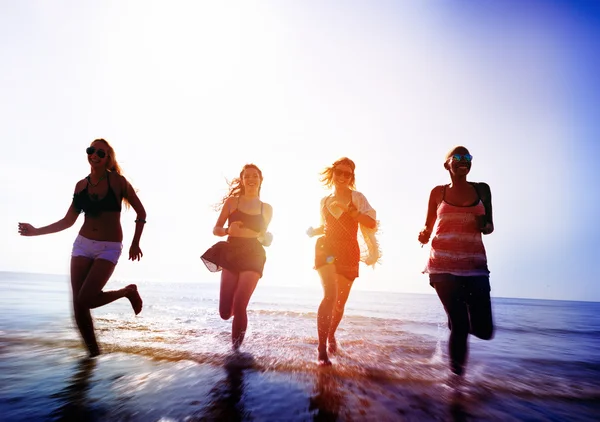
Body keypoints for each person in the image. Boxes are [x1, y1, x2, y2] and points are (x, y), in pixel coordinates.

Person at [18, 138, 146, 357]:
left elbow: (141, 213)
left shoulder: (118, 182)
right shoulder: (81, 186)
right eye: (91, 150)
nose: (94, 154)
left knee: (85, 298)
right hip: (82, 245)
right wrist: (35, 231)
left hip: (109, 247)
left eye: (100, 152)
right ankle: (93, 355)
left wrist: (135, 242)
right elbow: (68, 221)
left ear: (108, 158)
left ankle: (127, 292)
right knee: (78, 306)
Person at [418, 146, 495, 380]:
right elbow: (428, 226)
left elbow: (490, 225)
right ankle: (456, 384)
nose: (464, 161)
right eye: (458, 158)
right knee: (461, 326)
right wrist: (423, 234)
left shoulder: (482, 189)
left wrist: (485, 226)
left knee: (484, 330)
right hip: (442, 266)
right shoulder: (437, 192)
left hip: (475, 266)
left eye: (468, 158)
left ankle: (456, 322)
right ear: (447, 165)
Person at [307, 157, 380, 365]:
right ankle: (321, 348)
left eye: (347, 173)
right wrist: (314, 231)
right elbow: (327, 226)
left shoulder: (357, 198)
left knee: (339, 304)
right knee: (330, 295)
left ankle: (331, 335)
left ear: (351, 177)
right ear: (333, 173)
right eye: (338, 172)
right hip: (326, 246)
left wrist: (352, 211)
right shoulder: (324, 200)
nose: (342, 176)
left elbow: (371, 222)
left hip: (349, 250)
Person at [201, 164, 273, 350]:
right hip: (232, 252)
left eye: (255, 176)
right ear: (242, 179)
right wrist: (226, 230)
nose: (251, 179)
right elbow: (216, 229)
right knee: (225, 312)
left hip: (254, 254)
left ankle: (236, 352)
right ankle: (237, 320)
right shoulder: (232, 202)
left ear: (260, 180)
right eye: (247, 176)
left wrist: (267, 238)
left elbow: (262, 237)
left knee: (240, 304)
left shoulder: (266, 208)